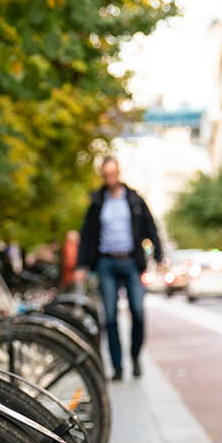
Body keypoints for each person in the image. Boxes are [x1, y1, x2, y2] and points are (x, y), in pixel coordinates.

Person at [75, 157, 162, 381]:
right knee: (110, 317)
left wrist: (159, 256)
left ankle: (134, 356)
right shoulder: (97, 201)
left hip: (131, 260)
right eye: (105, 175)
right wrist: (81, 265)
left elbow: (150, 229)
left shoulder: (133, 199)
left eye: (112, 174)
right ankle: (117, 366)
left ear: (119, 173)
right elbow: (86, 236)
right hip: (105, 262)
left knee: (138, 312)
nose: (109, 179)